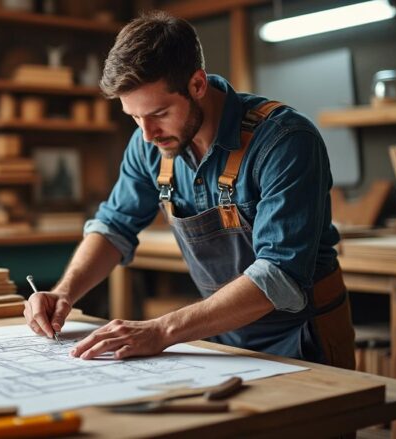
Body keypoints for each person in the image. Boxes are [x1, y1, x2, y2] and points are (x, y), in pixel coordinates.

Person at [23, 10, 356, 369]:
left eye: (159, 113)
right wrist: (63, 292)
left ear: (198, 84)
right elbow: (114, 227)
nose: (147, 134)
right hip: (223, 335)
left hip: (303, 337)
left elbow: (279, 276)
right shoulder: (149, 144)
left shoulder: (285, 142)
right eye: (134, 117)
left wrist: (162, 330)